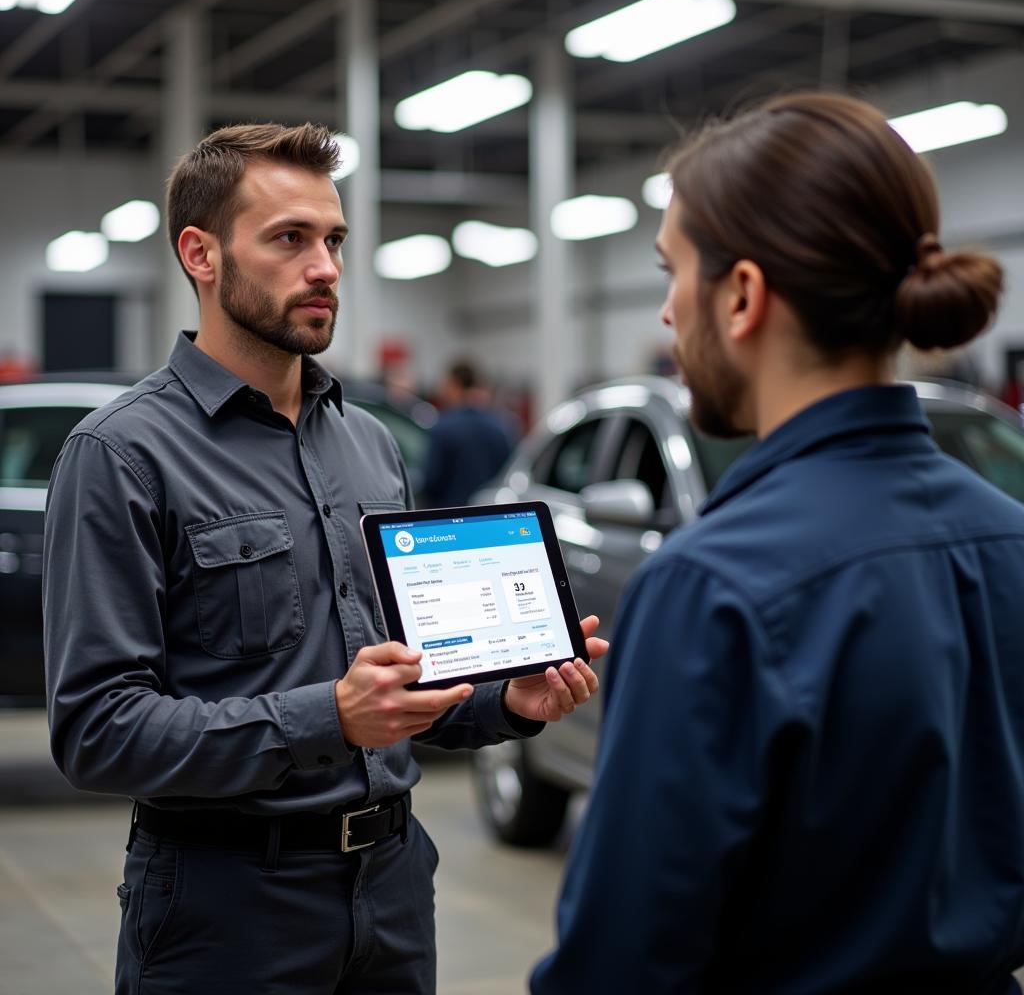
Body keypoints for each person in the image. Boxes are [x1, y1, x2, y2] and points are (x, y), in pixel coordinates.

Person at [42, 122, 606, 995]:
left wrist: (508, 702)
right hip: (226, 907)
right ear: (201, 253)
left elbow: (404, 691)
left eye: (334, 239)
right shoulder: (122, 454)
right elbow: (97, 731)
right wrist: (326, 717)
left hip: (392, 886)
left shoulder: (370, 444)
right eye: (289, 239)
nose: (326, 268)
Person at [531, 92, 1024, 993]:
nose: (670, 315)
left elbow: (623, 960)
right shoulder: (1012, 542)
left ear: (743, 296)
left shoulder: (711, 586)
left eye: (672, 272)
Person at [421, 359, 515, 507]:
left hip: (450, 517)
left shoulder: (444, 427)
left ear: (455, 384)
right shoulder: (501, 426)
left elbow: (432, 480)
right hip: (491, 514)